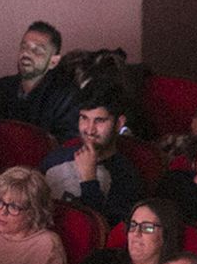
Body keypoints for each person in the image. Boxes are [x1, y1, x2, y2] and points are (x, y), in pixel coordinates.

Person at [41, 82, 142, 227]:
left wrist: (89, 179)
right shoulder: (56, 158)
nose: (89, 129)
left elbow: (104, 231)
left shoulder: (126, 176)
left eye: (99, 120)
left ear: (119, 123)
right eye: (84, 118)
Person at [0, 20, 79, 140]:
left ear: (53, 62)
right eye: (24, 46)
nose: (26, 53)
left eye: (37, 50)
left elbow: (66, 145)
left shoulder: (65, 96)